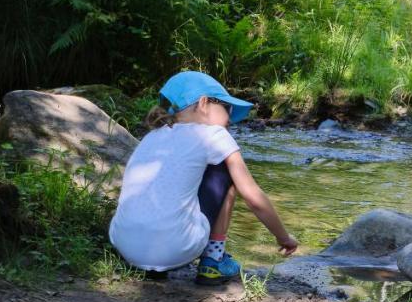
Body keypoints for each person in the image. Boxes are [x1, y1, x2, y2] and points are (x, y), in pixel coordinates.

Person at [108, 71, 299, 285]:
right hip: (175, 248)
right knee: (228, 169)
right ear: (204, 103)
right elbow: (253, 196)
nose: (230, 120)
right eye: (227, 108)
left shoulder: (152, 136)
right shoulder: (214, 136)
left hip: (126, 246)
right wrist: (284, 237)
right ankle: (213, 261)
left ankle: (153, 268)